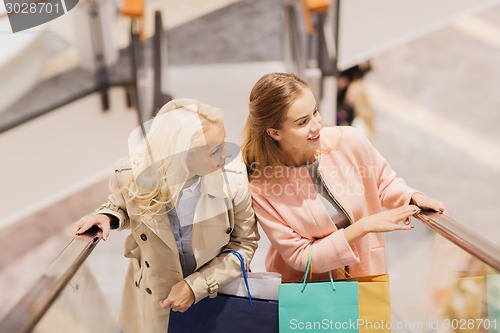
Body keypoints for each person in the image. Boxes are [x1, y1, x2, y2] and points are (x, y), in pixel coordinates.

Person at [72, 99, 259, 333]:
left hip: (217, 293)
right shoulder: (132, 174)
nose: (226, 155)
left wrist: (196, 286)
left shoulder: (233, 178)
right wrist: (106, 216)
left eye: (223, 143)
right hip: (154, 299)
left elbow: (244, 243)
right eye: (213, 150)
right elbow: (120, 205)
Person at [241, 72, 445, 282]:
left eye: (315, 112)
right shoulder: (261, 186)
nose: (316, 125)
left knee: (371, 315)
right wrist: (364, 226)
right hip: (310, 293)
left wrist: (412, 197)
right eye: (303, 122)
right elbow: (301, 257)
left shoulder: (348, 141)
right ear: (275, 133)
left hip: (366, 274)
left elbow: (383, 181)